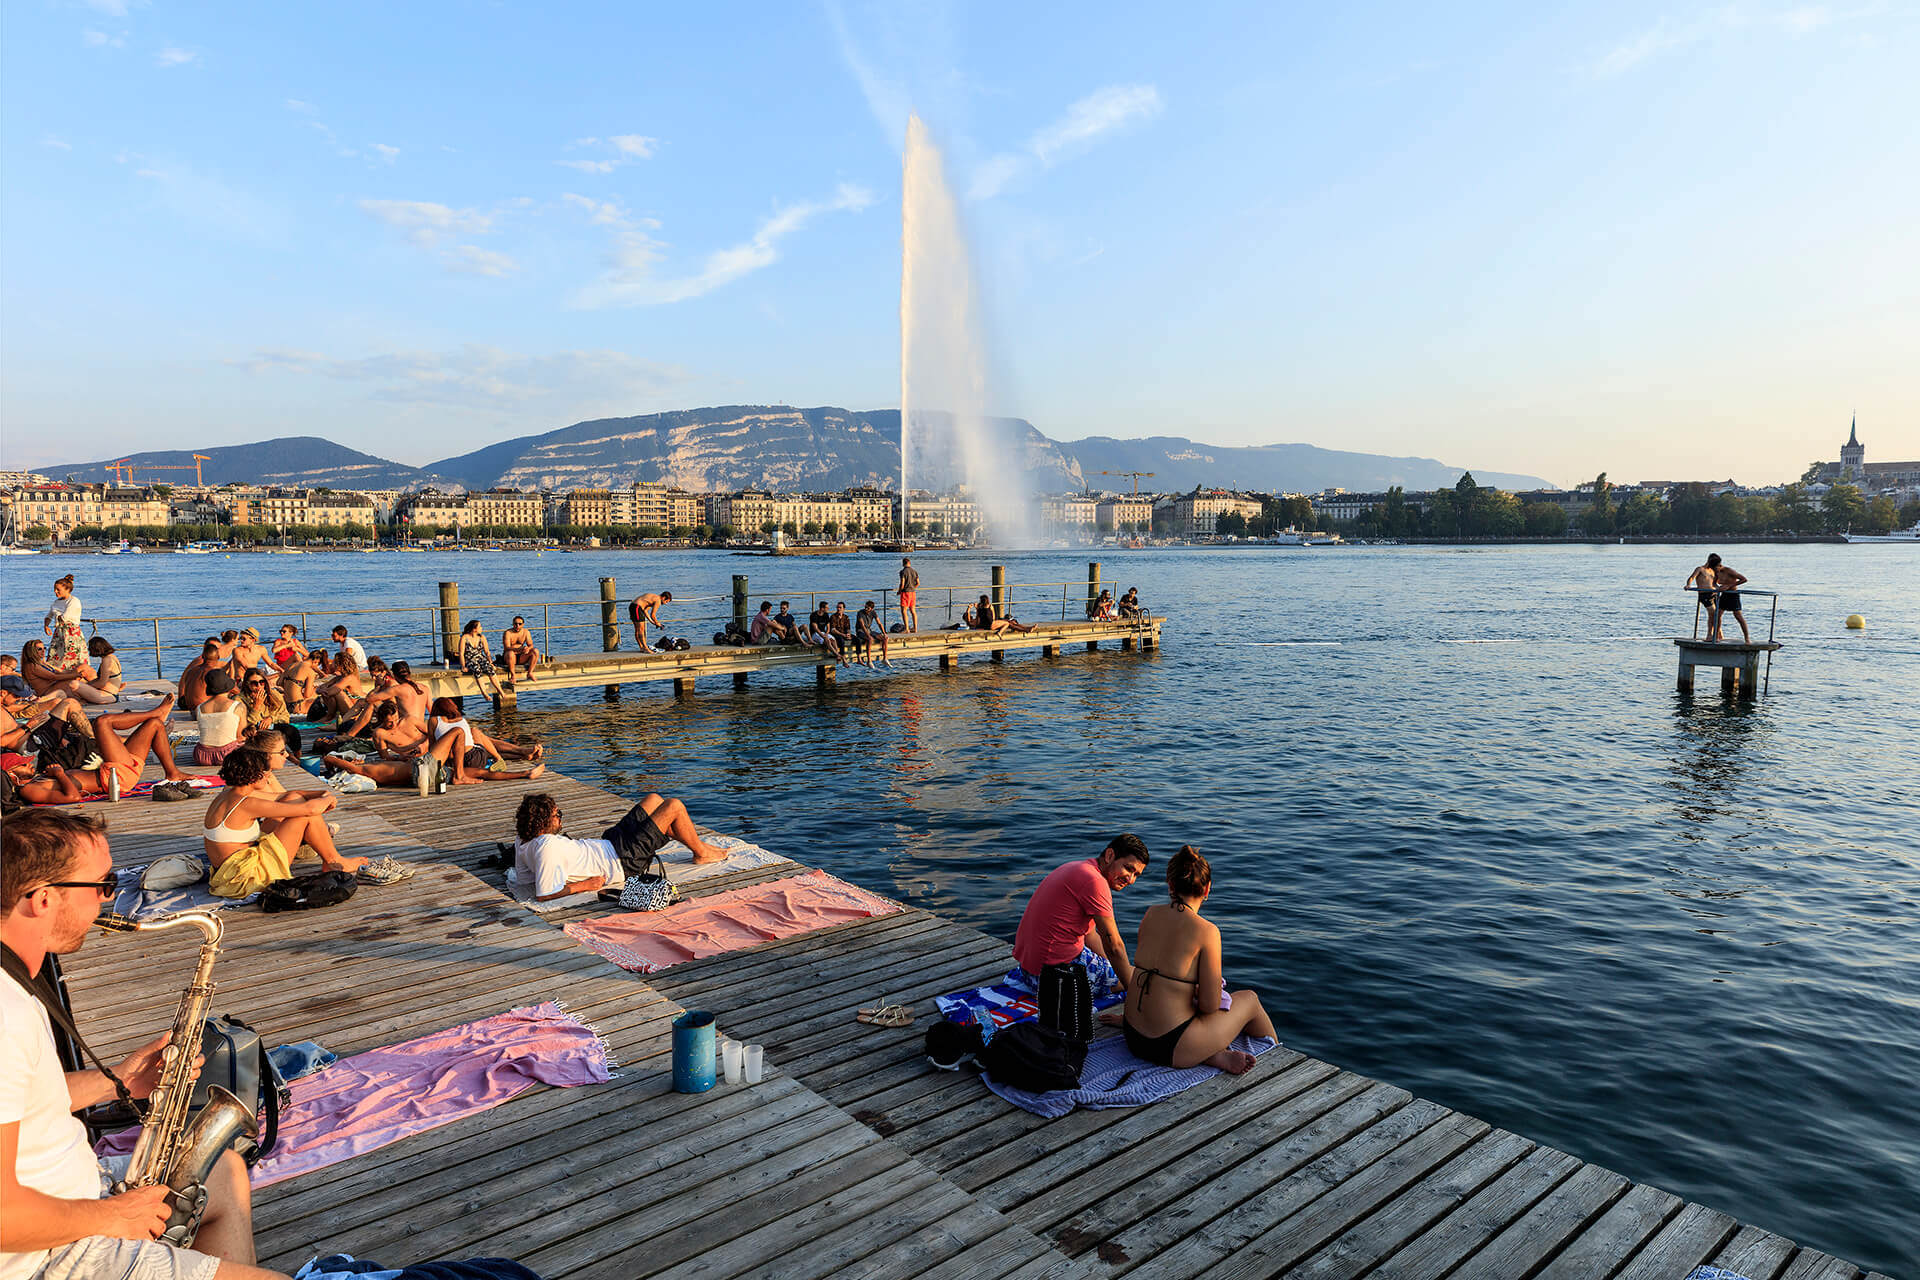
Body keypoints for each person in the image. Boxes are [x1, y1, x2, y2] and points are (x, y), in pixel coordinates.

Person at [1, 808, 291, 1280]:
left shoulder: (14, 982)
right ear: (42, 898)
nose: (108, 899)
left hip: (73, 1191)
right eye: (101, 884)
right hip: (45, 1253)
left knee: (226, 1173)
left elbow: (25, 1098)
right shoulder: (5, 1015)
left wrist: (119, 1081)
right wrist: (114, 1216)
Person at [1121, 846, 1275, 1074]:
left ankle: (1212, 1054)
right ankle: (1275, 1066)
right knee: (1250, 999)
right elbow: (1209, 1006)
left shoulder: (1150, 913)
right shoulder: (1207, 931)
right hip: (1169, 1046)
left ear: (1171, 885)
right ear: (1207, 888)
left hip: (1132, 1036)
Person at [1011, 835, 1150, 1039]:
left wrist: (1109, 966)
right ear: (1110, 855)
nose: (1131, 880)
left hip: (1028, 971)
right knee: (1143, 978)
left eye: (1136, 874)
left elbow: (1090, 934)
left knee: (1126, 971)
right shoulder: (1095, 882)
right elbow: (1115, 946)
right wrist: (1134, 992)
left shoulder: (1077, 868)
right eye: (1128, 869)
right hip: (1051, 979)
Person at [203, 746, 366, 897]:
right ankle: (333, 861)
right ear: (255, 775)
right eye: (267, 773)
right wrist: (329, 798)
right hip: (245, 876)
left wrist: (321, 793)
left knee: (293, 798)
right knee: (306, 815)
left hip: (228, 871)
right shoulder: (247, 804)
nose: (268, 778)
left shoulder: (229, 795)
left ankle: (325, 853)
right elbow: (309, 810)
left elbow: (285, 796)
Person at [514, 789, 725, 900]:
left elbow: (524, 880)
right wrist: (586, 885)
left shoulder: (523, 840)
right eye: (556, 815)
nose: (560, 818)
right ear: (543, 823)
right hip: (622, 861)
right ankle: (702, 852)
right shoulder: (545, 847)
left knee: (653, 800)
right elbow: (543, 894)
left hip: (609, 842)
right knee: (674, 806)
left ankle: (698, 846)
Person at [8, 700, 189, 805]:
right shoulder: (27, 790)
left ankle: (173, 773)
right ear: (11, 774)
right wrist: (60, 774)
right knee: (102, 722)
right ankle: (154, 712)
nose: (29, 763)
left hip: (115, 771)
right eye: (23, 765)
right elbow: (72, 797)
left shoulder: (36, 779)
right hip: (115, 777)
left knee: (154, 726)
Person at [426, 698, 544, 785]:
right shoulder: (460, 719)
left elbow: (432, 749)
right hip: (474, 757)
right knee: (476, 732)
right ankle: (514, 753)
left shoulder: (433, 721)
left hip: (456, 762)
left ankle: (522, 754)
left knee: (480, 746)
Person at [236, 671, 298, 756]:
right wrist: (256, 707)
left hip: (271, 726)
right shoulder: (239, 700)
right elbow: (245, 725)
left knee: (291, 731)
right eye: (254, 683)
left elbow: (285, 716)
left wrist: (271, 719)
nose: (259, 686)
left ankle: (298, 755)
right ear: (247, 684)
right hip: (253, 730)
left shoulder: (274, 694)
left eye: (261, 682)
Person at [456, 620, 507, 698]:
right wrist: (463, 666)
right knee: (477, 669)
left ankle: (500, 691)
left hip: (480, 657)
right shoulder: (464, 638)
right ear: (474, 629)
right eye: (480, 626)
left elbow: (487, 652)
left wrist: (490, 662)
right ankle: (484, 692)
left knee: (490, 669)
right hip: (469, 659)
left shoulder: (482, 637)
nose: (481, 628)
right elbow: (461, 653)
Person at [42, 574, 83, 667]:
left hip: (71, 632)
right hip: (59, 632)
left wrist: (57, 615)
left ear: (67, 589)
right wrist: (46, 625)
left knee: (71, 658)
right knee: (54, 657)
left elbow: (65, 617)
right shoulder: (56, 602)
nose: (55, 592)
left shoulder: (73, 601)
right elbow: (49, 615)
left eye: (58, 590)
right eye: (55, 589)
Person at [1713, 557, 1751, 643]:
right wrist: (1718, 588)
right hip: (1724, 595)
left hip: (1733, 594)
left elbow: (1744, 579)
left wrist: (1729, 585)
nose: (1715, 570)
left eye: (1716, 568)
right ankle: (1716, 637)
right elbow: (1714, 583)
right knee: (1717, 615)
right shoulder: (1716, 572)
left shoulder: (1729, 570)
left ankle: (1747, 638)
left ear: (1719, 565)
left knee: (1738, 616)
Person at [179, 640, 224, 711]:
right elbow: (233, 689)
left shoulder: (191, 670)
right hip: (203, 710)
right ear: (218, 657)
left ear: (202, 656)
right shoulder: (213, 672)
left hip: (191, 709)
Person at [1686, 557, 1722, 639]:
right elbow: (1692, 577)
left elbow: (1715, 584)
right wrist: (1688, 585)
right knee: (1713, 613)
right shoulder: (1700, 569)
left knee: (1717, 615)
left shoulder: (1712, 571)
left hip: (1714, 594)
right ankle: (1709, 634)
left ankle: (1718, 634)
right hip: (1705, 595)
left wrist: (1720, 588)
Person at [972, 595, 1036, 637]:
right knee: (1008, 623)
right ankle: (1000, 633)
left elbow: (977, 618)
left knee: (1011, 623)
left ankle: (1027, 629)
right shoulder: (990, 606)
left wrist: (976, 626)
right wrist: (997, 622)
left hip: (984, 625)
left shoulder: (979, 608)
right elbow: (993, 617)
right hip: (990, 625)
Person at [501, 617, 540, 684]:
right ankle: (513, 675)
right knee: (510, 653)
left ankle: (530, 673)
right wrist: (518, 649)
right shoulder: (508, 633)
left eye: (520, 624)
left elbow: (531, 645)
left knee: (535, 651)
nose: (517, 626)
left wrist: (528, 648)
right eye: (515, 624)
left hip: (521, 656)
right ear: (513, 624)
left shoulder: (526, 632)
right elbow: (506, 648)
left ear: (523, 624)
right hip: (509, 657)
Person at [854, 601, 891, 668]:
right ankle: (869, 661)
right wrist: (868, 635)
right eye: (865, 607)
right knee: (870, 639)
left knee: (885, 638)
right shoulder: (860, 612)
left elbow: (879, 623)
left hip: (869, 630)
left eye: (867, 608)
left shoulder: (873, 612)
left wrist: (884, 633)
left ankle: (885, 658)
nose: (866, 609)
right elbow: (862, 626)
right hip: (860, 631)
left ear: (871, 609)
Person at [898, 557, 920, 633]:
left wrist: (899, 591)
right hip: (913, 593)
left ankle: (907, 629)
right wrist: (913, 587)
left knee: (904, 611)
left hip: (905, 593)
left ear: (903, 563)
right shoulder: (914, 571)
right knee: (913, 611)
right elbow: (918, 583)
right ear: (909, 563)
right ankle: (915, 628)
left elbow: (902, 583)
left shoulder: (903, 572)